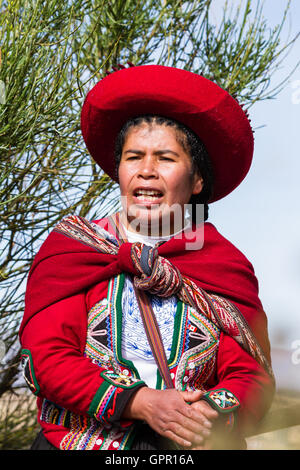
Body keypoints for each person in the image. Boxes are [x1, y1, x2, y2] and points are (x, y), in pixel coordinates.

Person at [19, 65, 275, 451]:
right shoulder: (75, 250)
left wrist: (209, 416)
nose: (147, 171)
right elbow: (46, 356)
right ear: (119, 169)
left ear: (197, 181)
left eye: (166, 159)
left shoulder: (222, 265)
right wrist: (141, 403)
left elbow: (250, 375)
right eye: (134, 156)